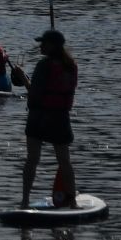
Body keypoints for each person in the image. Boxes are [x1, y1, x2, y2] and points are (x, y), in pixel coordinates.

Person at [20, 29, 78, 208]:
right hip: (60, 117)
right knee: (64, 161)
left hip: (39, 116)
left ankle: (24, 201)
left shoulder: (43, 66)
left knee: (32, 159)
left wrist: (23, 79)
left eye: (44, 43)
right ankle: (73, 201)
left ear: (52, 46)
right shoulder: (71, 66)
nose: (40, 46)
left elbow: (35, 92)